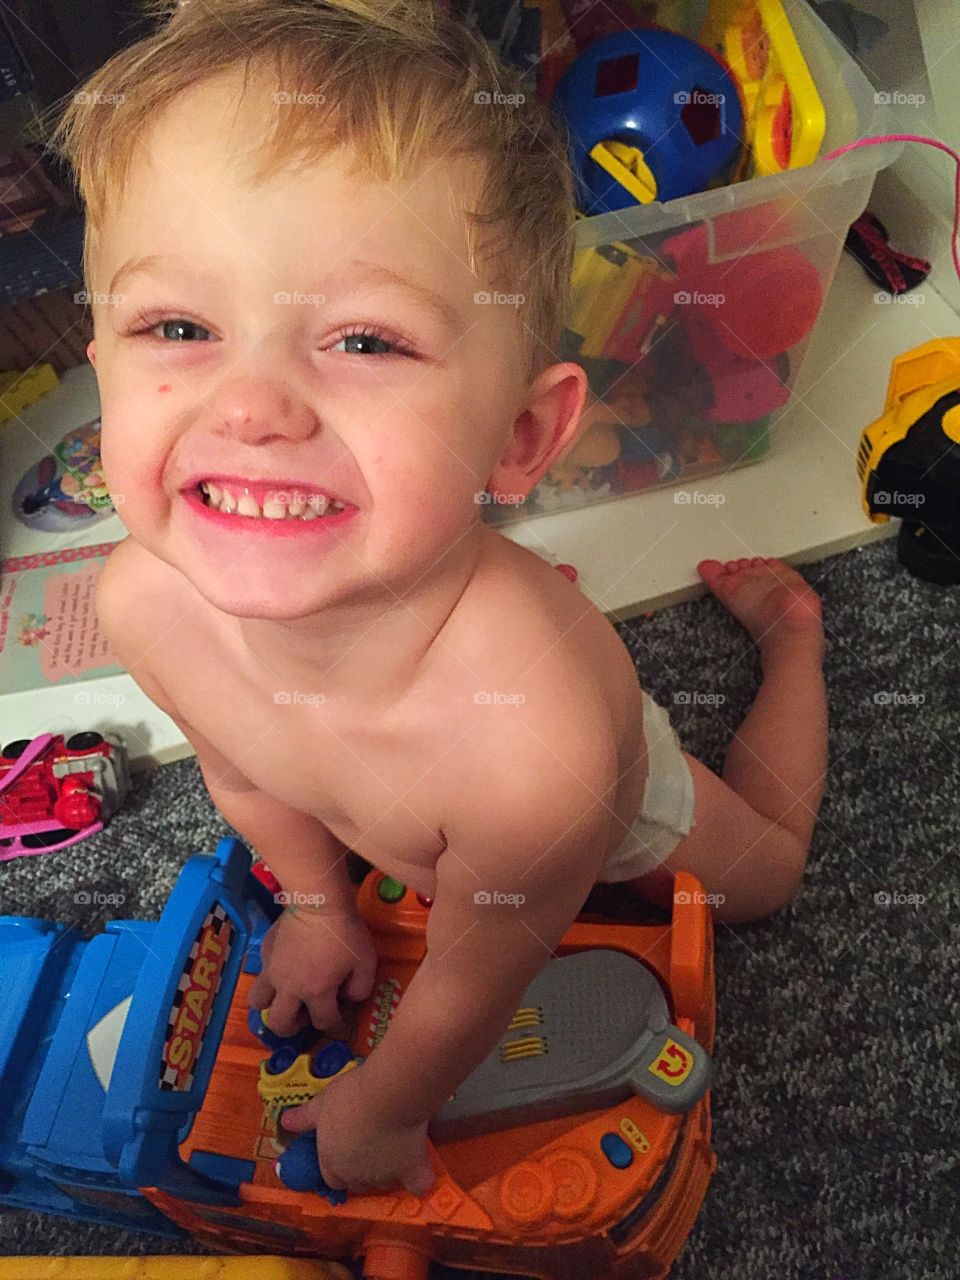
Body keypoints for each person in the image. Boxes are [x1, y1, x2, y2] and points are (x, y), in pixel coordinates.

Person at [51, 0, 827, 1198]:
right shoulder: (145, 603)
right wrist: (318, 907)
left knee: (765, 878)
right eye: (179, 324)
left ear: (519, 437)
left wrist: (386, 1099)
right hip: (414, 807)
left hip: (572, 786)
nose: (251, 407)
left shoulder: (538, 752)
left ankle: (797, 646)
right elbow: (249, 772)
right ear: (102, 367)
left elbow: (475, 972)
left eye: (364, 341)